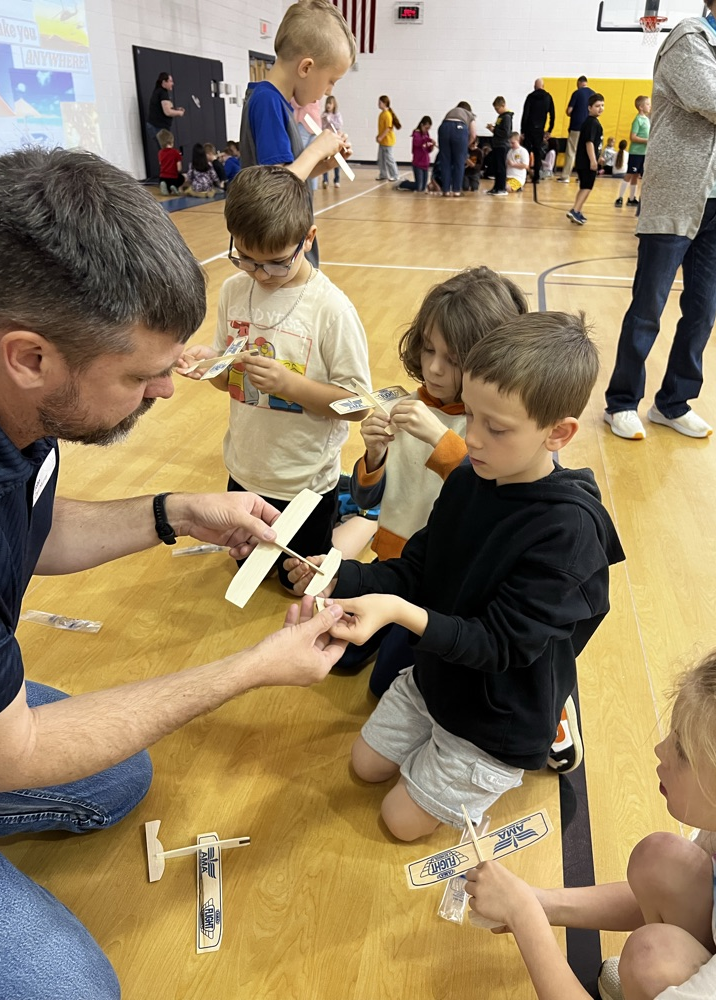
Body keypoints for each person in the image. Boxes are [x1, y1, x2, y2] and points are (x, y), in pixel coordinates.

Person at [0, 145, 349, 999]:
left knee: (118, 776)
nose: (164, 394)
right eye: (143, 376)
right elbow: (19, 752)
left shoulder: (21, 412)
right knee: (77, 990)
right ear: (31, 356)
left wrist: (175, 513)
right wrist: (251, 669)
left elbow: (31, 531)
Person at [287, 311, 625, 841]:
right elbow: (422, 566)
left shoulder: (570, 533)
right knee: (365, 764)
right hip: (440, 674)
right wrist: (341, 578)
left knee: (399, 824)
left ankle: (536, 737)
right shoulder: (471, 477)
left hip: (499, 709)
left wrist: (396, 612)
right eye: (470, 414)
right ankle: (440, 751)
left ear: (558, 433)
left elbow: (496, 645)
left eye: (497, 427)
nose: (472, 437)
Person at [465, 640, 716, 1000]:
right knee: (660, 859)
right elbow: (662, 889)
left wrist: (524, 915)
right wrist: (537, 901)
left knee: (651, 959)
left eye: (682, 751)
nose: (660, 750)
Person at [177, 165, 371, 590]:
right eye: (245, 259)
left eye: (277, 264)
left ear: (309, 240)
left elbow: (358, 405)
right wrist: (210, 364)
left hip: (302, 480)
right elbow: (227, 380)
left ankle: (361, 519)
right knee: (248, 569)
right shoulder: (233, 290)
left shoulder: (330, 309)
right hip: (245, 468)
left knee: (297, 581)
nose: (260, 274)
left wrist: (290, 386)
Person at [345, 267, 529, 690]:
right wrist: (374, 455)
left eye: (454, 360)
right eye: (428, 349)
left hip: (445, 578)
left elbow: (488, 502)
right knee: (340, 648)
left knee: (384, 685)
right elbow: (365, 497)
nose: (434, 369)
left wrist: (440, 438)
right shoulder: (407, 403)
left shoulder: (490, 426)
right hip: (394, 558)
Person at [604, 0, 716, 441]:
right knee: (648, 308)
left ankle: (673, 403)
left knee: (702, 313)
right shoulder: (689, 38)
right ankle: (622, 402)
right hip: (678, 199)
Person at [238, 0, 355, 268]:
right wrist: (316, 148)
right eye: (330, 81)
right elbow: (276, 187)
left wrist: (323, 162)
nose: (328, 91)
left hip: (285, 243)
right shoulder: (267, 101)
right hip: (276, 249)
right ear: (306, 68)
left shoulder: (275, 102)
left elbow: (287, 175)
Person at [567, 93, 605, 225]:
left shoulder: (592, 122)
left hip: (585, 161)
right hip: (587, 162)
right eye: (597, 106)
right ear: (589, 108)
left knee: (584, 186)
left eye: (602, 105)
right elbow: (589, 143)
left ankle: (576, 210)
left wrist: (599, 157)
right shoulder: (591, 123)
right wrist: (593, 161)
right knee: (587, 187)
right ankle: (575, 211)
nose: (600, 108)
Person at [615, 96, 651, 207]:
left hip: (644, 153)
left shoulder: (647, 119)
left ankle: (631, 198)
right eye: (648, 104)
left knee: (636, 176)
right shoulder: (637, 120)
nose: (650, 106)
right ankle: (619, 197)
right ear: (641, 107)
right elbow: (633, 137)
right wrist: (647, 141)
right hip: (636, 153)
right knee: (630, 174)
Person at [438, 100, 477, 197]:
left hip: (444, 128)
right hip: (459, 129)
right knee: (459, 162)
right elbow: (473, 134)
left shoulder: (452, 111)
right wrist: (466, 145)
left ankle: (446, 191)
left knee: (445, 162)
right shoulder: (469, 114)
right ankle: (456, 191)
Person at [521, 79, 556, 188]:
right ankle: (536, 177)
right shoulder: (548, 97)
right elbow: (553, 115)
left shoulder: (530, 97)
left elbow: (525, 114)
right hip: (540, 129)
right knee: (537, 153)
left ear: (534, 86)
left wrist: (522, 130)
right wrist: (549, 130)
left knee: (526, 152)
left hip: (529, 128)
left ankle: (525, 175)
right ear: (543, 86)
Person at [559, 75, 591, 182]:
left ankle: (565, 176)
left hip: (577, 126)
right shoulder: (593, 94)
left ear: (578, 83)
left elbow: (569, 110)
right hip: (588, 126)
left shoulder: (577, 93)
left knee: (571, 151)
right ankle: (582, 177)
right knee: (585, 153)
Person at [146, 71, 184, 145]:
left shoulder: (158, 92)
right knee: (166, 150)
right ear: (164, 82)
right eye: (170, 81)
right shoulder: (163, 93)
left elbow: (165, 108)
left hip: (156, 126)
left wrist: (175, 109)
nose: (172, 84)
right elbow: (167, 112)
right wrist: (179, 113)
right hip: (158, 127)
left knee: (164, 150)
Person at [485, 96, 513, 196]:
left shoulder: (507, 117)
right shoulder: (501, 117)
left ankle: (501, 188)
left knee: (501, 168)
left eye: (497, 109)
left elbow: (506, 133)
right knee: (496, 167)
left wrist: (495, 129)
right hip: (497, 144)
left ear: (503, 105)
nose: (497, 111)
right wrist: (493, 129)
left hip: (502, 145)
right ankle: (496, 187)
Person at [376, 95, 401, 181]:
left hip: (387, 141)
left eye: (380, 102)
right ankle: (383, 174)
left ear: (385, 103)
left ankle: (395, 175)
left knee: (389, 159)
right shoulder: (382, 114)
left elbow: (388, 128)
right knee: (381, 159)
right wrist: (379, 136)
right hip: (382, 141)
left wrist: (381, 137)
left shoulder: (387, 115)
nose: (378, 104)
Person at [321, 94, 343, 188]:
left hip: (335, 140)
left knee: (336, 160)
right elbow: (322, 126)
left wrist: (330, 120)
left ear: (334, 105)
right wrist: (325, 120)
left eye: (330, 104)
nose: (328, 106)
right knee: (325, 160)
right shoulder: (324, 115)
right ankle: (325, 180)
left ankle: (336, 179)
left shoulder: (337, 115)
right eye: (327, 104)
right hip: (326, 140)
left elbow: (339, 125)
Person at [156, 128, 184, 195]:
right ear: (171, 141)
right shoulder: (176, 152)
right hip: (173, 177)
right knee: (182, 178)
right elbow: (179, 168)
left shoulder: (160, 153)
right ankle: (174, 186)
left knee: (166, 186)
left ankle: (164, 184)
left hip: (162, 176)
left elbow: (160, 164)